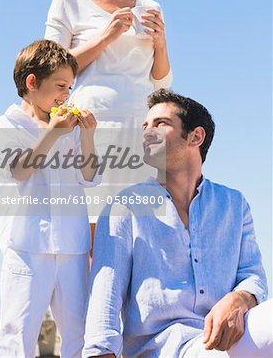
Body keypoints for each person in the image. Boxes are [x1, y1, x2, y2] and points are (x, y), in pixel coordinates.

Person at [83, 89, 272, 358]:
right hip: (163, 350)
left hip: (228, 343)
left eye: (160, 123)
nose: (147, 131)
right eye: (145, 125)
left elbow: (253, 275)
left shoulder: (234, 204)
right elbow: (105, 299)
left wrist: (238, 298)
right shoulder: (122, 207)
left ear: (195, 136)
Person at [44, 0, 173, 220]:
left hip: (138, 130)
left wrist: (161, 43)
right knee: (89, 228)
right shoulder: (69, 0)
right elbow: (51, 71)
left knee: (139, 230)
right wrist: (106, 36)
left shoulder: (150, 8)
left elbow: (162, 85)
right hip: (89, 128)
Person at [0, 39, 100, 358]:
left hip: (72, 247)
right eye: (60, 86)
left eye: (70, 87)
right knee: (18, 334)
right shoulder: (7, 124)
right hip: (27, 249)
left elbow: (89, 177)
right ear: (31, 83)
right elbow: (19, 170)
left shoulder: (69, 128)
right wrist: (53, 132)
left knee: (79, 334)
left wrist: (87, 135)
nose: (66, 95)